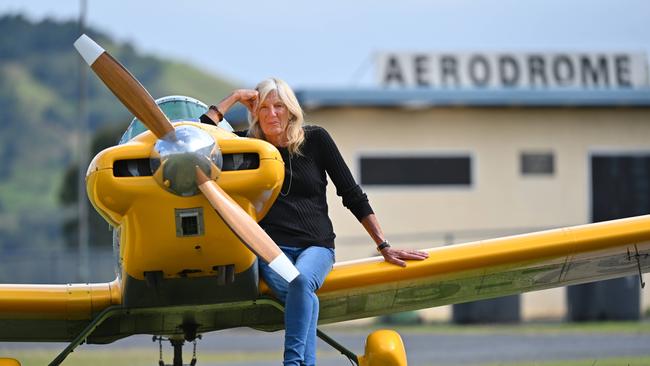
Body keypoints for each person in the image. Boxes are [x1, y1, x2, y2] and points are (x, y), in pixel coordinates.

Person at [200, 77, 428, 366]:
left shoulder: (316, 139)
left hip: (316, 247)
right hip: (271, 251)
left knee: (301, 282)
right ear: (255, 112)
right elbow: (198, 143)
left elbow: (352, 194)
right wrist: (232, 98)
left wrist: (383, 245)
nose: (272, 114)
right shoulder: (245, 146)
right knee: (305, 295)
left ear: (291, 111)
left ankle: (292, 363)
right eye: (265, 107)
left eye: (279, 106)